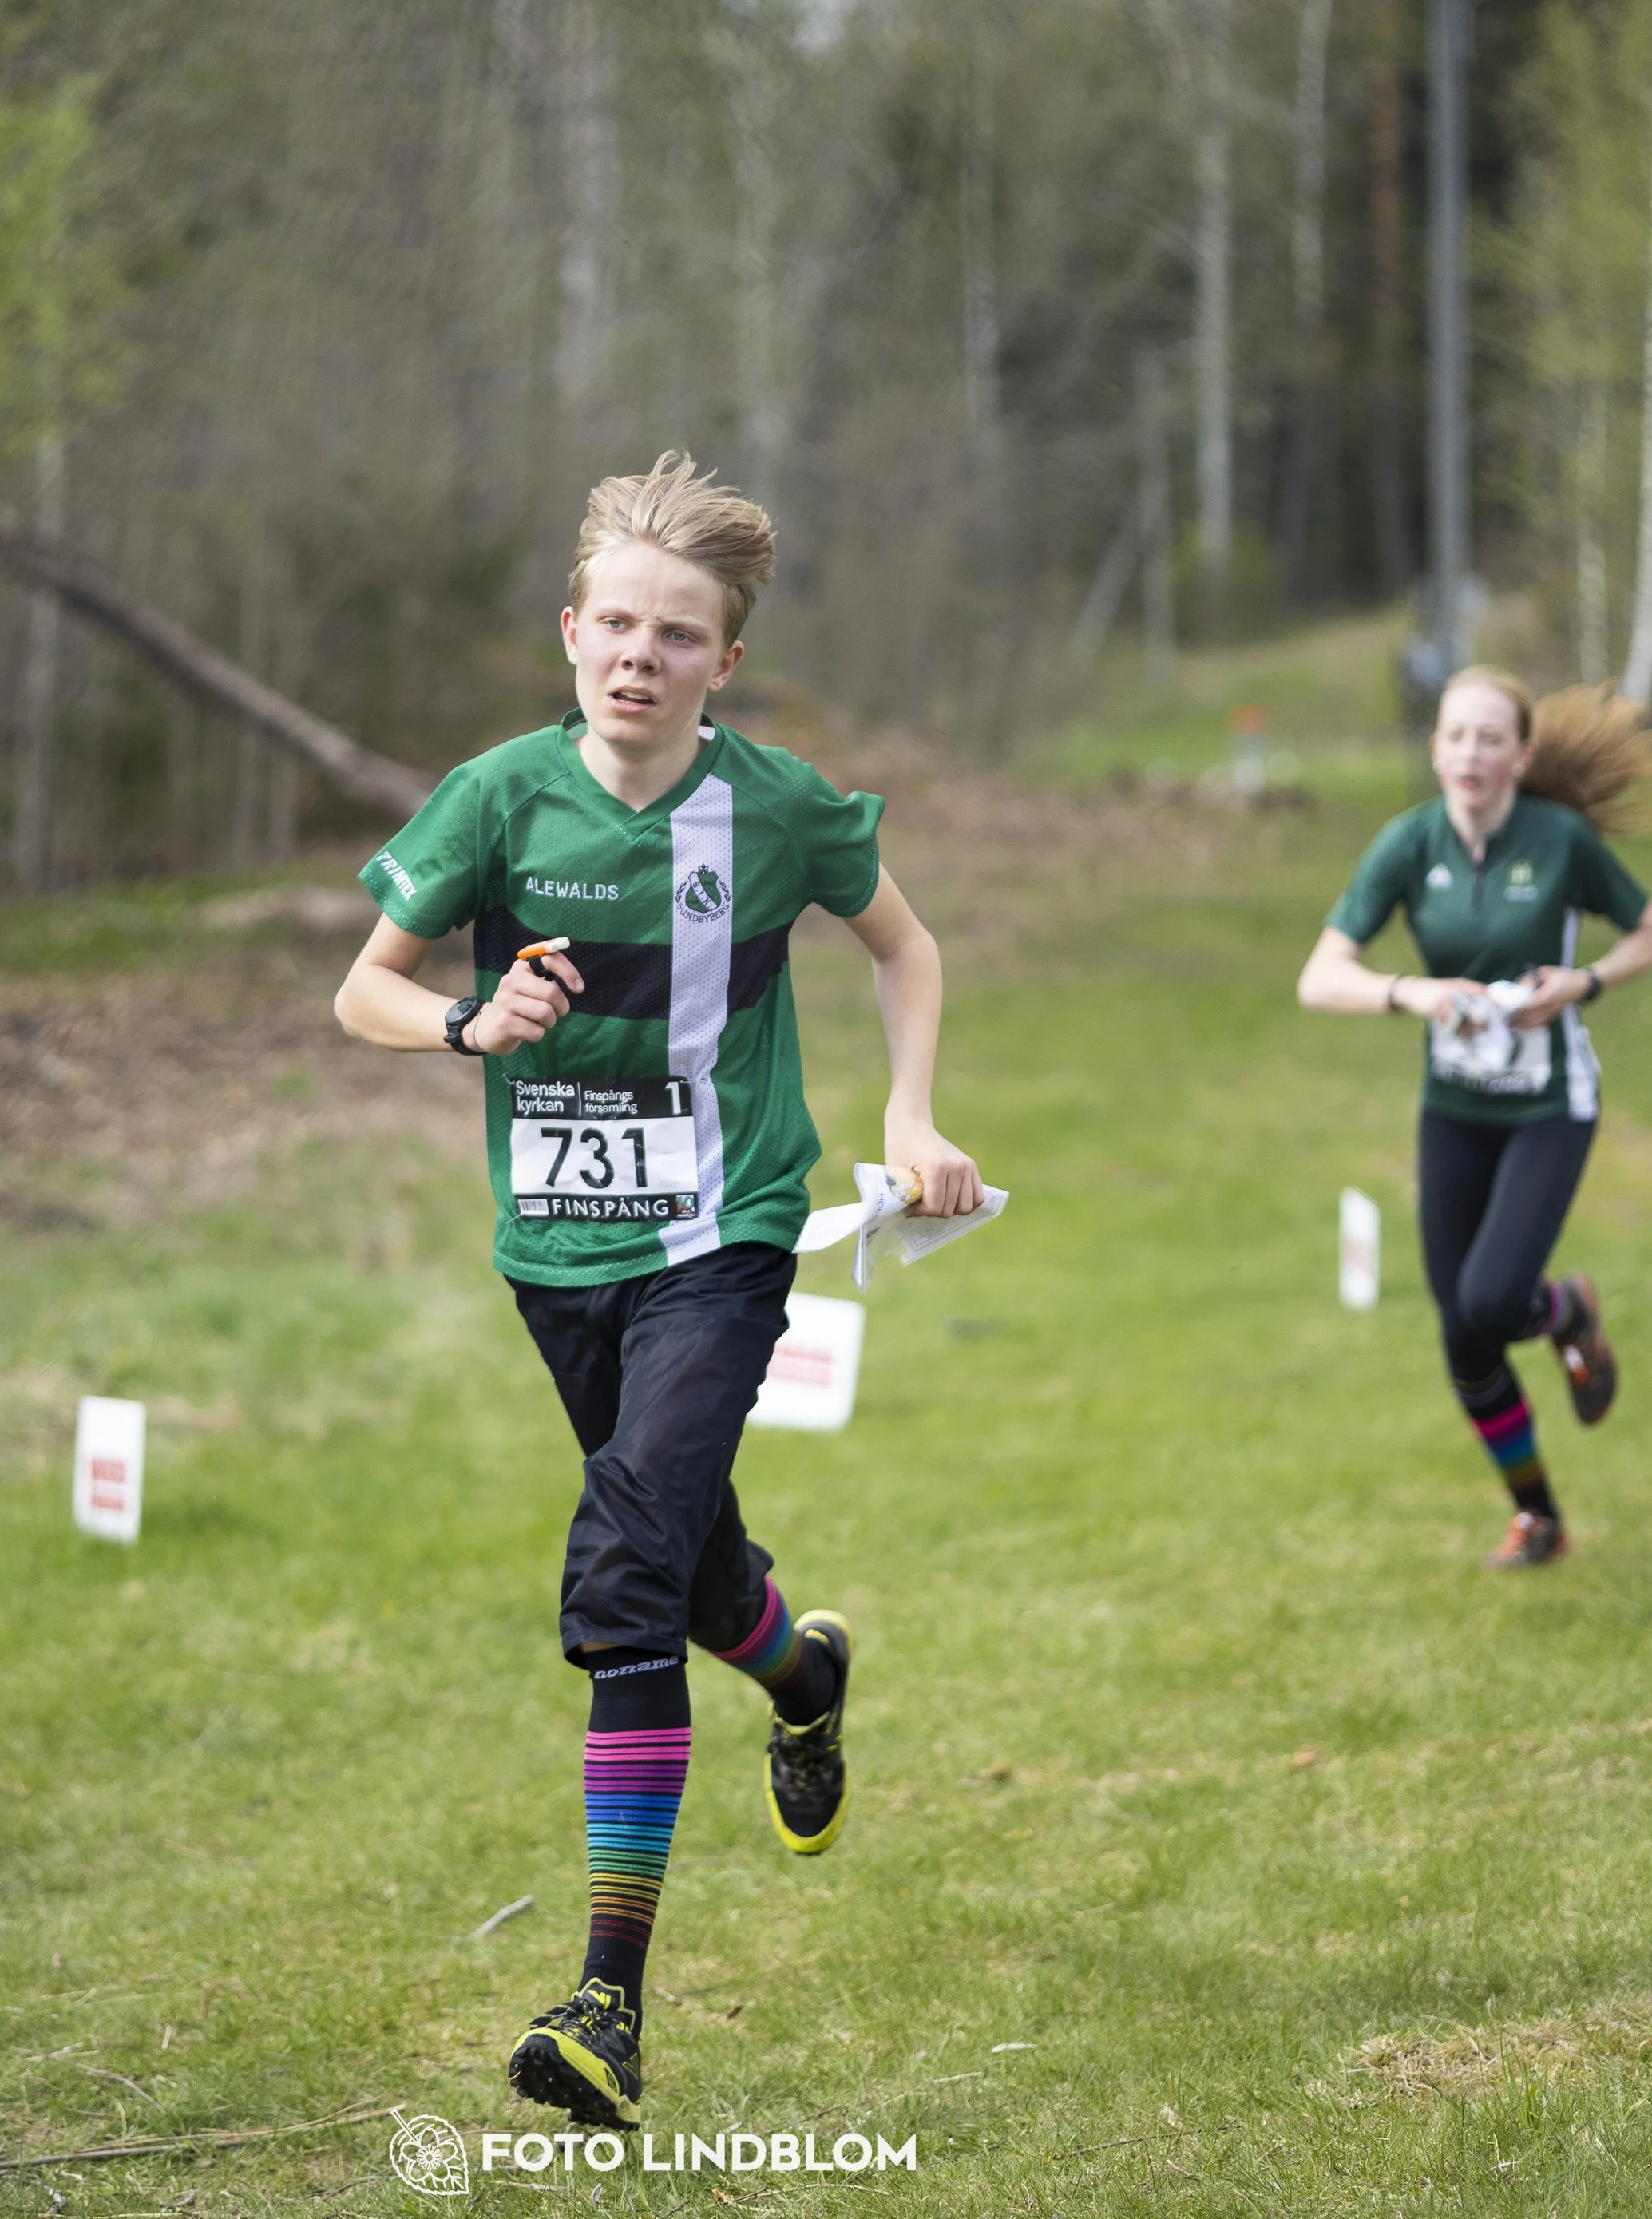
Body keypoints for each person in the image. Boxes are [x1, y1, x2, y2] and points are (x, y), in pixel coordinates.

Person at [335, 452, 984, 2130]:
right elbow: (366, 991)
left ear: (721, 660)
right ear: (568, 632)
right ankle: (801, 1670)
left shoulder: (770, 808)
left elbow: (902, 946)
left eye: (674, 632)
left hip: (723, 1229)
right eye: (612, 621)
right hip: (555, 1248)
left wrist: (909, 1115)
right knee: (689, 1577)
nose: (637, 652)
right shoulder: (493, 798)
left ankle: (605, 2005)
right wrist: (469, 1026)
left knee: (623, 1556)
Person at [1297, 668, 1652, 1568]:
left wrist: (1587, 980)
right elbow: (1320, 975)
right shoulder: (1408, 845)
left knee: (1493, 1300)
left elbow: (1645, 927)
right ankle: (1538, 1516)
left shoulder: (1560, 840)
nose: (1470, 754)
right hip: (1452, 1110)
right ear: (1434, 748)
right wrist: (1407, 991)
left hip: (1547, 1105)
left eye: (1490, 738)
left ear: (1520, 754)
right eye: (1455, 736)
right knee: (1462, 1336)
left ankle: (1564, 1307)